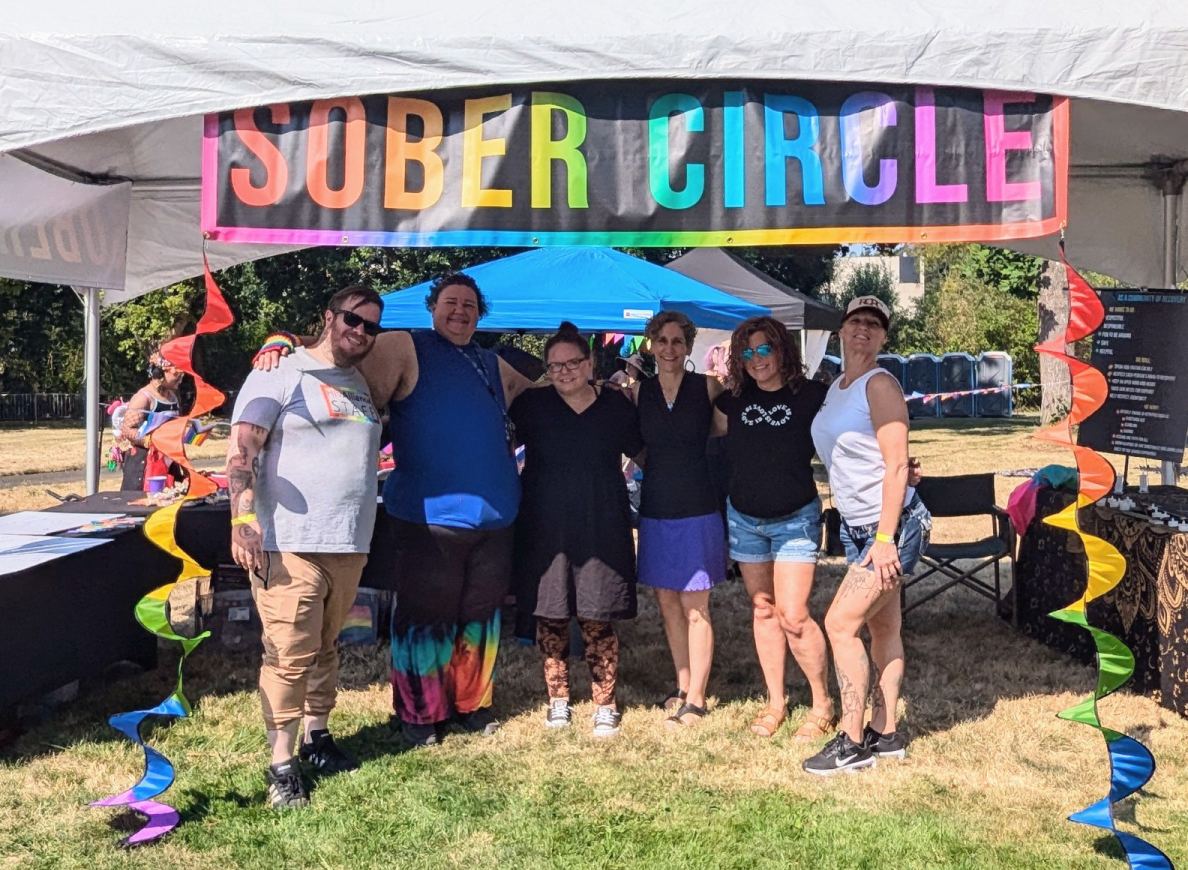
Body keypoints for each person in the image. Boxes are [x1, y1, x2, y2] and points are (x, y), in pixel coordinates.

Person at [254, 272, 536, 747]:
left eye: (469, 305)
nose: (460, 311)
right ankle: (421, 713)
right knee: (426, 617)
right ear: (432, 308)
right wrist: (285, 339)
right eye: (451, 302)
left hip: (497, 517)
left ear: (480, 313)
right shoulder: (407, 346)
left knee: (480, 616)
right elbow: (340, 350)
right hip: (430, 518)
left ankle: (470, 705)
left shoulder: (489, 363)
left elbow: (541, 390)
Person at [227, 284, 383, 808]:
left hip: (348, 540)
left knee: (325, 647)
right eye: (352, 320)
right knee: (290, 655)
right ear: (329, 316)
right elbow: (244, 445)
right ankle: (281, 764)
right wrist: (243, 519)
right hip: (289, 542)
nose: (360, 332)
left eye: (370, 327)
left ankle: (318, 738)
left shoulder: (360, 381)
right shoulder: (279, 370)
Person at [804, 296, 931, 775]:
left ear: (883, 337)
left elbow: (897, 462)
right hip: (861, 527)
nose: (864, 329)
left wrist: (884, 537)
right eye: (856, 321)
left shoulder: (879, 384)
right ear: (841, 330)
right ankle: (887, 732)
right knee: (884, 629)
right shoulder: (838, 386)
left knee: (839, 624)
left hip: (890, 529)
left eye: (874, 325)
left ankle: (852, 742)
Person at [510, 322, 643, 737]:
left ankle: (605, 703)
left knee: (598, 615)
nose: (564, 371)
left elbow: (645, 452)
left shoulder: (617, 406)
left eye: (572, 363)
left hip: (601, 522)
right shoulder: (531, 405)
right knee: (550, 617)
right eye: (555, 365)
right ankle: (559, 700)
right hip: (545, 525)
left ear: (590, 363)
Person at [712, 316, 835, 741]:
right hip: (744, 518)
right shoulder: (733, 401)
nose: (756, 360)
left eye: (764, 349)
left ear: (782, 349)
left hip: (795, 518)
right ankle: (776, 702)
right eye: (746, 353)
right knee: (763, 609)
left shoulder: (813, 396)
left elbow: (852, 431)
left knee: (795, 614)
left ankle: (822, 704)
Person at [628, 311, 726, 727]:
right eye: (661, 340)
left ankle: (699, 699)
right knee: (667, 602)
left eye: (677, 341)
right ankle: (683, 685)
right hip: (655, 508)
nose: (669, 348)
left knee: (695, 605)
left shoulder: (707, 387)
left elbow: (726, 437)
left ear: (688, 347)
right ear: (649, 345)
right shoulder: (635, 393)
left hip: (698, 506)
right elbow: (632, 446)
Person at [119, 351, 184, 491]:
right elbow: (126, 429)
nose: (180, 379)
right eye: (176, 374)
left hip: (168, 460)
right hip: (143, 464)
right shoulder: (143, 398)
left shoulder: (173, 397)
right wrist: (150, 441)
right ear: (159, 374)